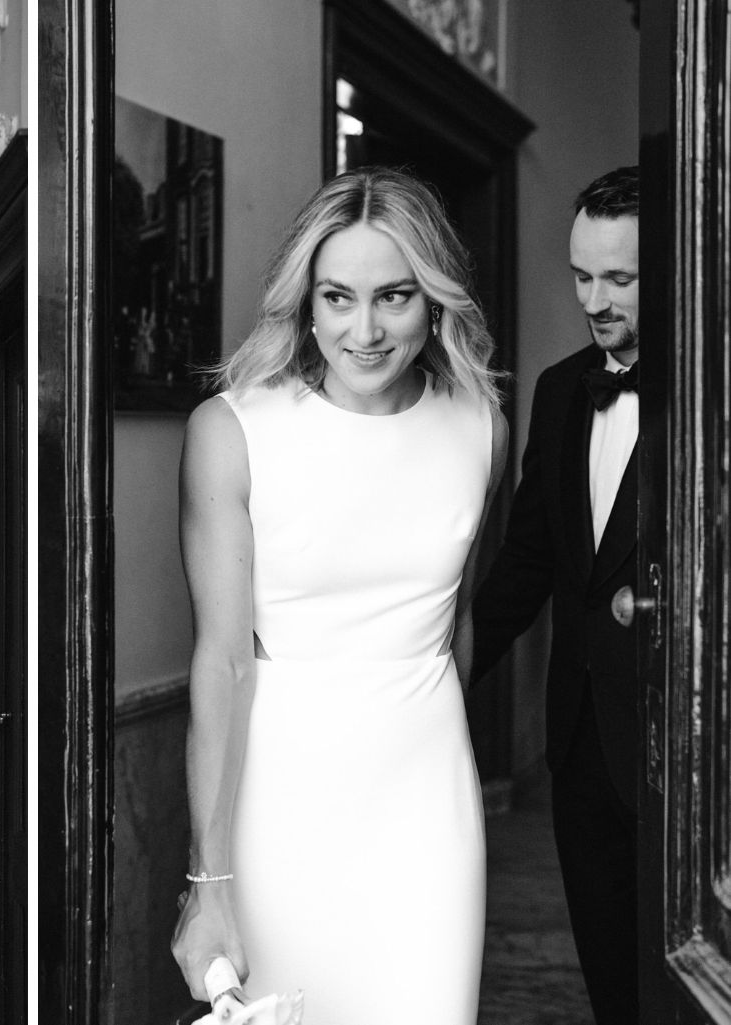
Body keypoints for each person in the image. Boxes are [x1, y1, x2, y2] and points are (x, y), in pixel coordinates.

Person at [170, 166, 508, 1025]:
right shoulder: (233, 431)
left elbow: (457, 622)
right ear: (306, 304)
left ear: (434, 299)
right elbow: (222, 661)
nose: (365, 330)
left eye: (395, 295)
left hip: (428, 805)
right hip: (280, 800)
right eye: (338, 297)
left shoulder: (481, 426)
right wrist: (209, 878)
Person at [469, 166, 640, 1025]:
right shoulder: (560, 388)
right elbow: (529, 560)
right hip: (580, 743)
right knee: (612, 979)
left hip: (691, 750)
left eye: (619, 278)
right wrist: (440, 669)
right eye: (581, 276)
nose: (593, 301)